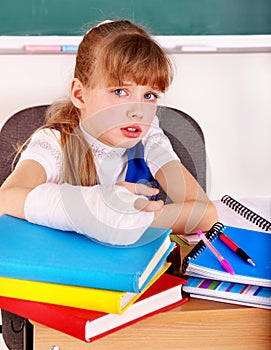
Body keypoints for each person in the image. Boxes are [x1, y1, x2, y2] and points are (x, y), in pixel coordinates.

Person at [0, 20, 217, 246]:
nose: (138, 111)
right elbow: (5, 199)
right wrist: (93, 210)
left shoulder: (150, 140)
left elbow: (205, 213)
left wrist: (126, 221)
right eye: (120, 91)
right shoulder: (53, 144)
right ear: (80, 94)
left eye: (149, 95)